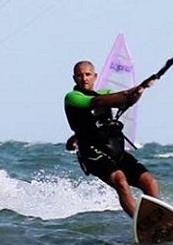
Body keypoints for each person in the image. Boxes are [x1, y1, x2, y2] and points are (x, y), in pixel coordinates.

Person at [64, 60, 159, 217]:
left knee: (149, 181)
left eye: (88, 75)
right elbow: (96, 102)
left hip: (114, 150)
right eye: (80, 75)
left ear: (95, 76)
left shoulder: (106, 93)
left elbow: (127, 100)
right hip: (92, 152)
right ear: (74, 79)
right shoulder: (72, 97)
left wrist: (141, 90)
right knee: (120, 179)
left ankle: (158, 216)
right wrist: (131, 91)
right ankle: (140, 220)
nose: (84, 78)